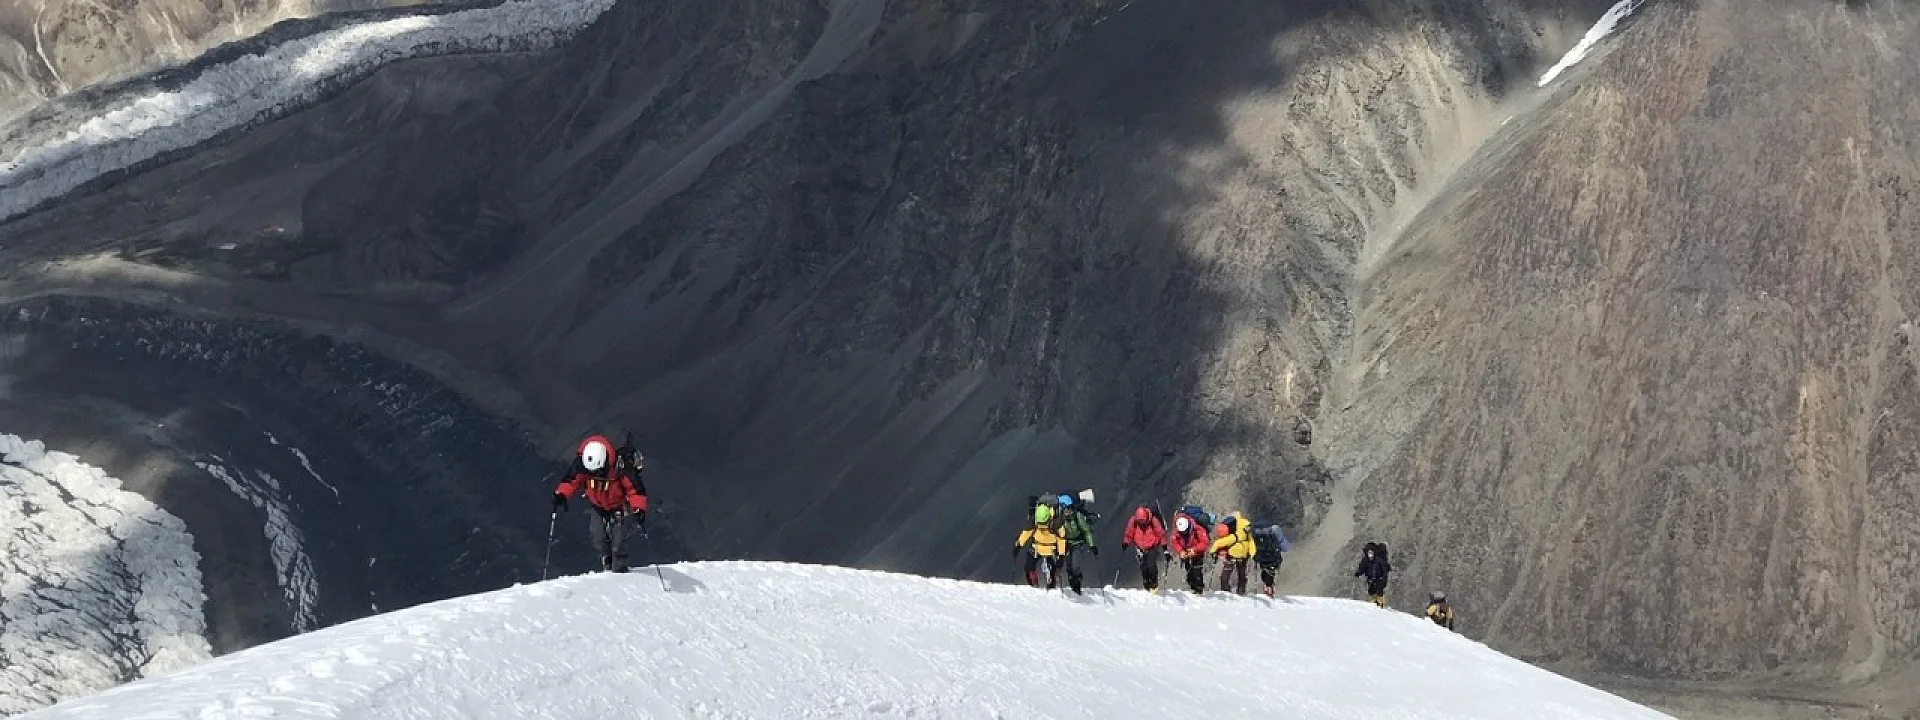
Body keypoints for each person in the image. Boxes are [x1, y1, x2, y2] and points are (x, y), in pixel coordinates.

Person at [550, 434, 649, 572]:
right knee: (598, 537)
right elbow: (571, 480)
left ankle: (620, 570)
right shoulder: (583, 464)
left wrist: (638, 508)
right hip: (598, 506)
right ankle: (607, 561)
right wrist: (562, 494)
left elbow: (635, 489)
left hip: (619, 505)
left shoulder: (621, 467)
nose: (596, 475)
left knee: (618, 542)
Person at [1015, 502, 1068, 588]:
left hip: (1049, 549)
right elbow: (1027, 532)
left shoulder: (1056, 523)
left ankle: (1050, 585)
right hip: (1039, 548)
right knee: (1029, 567)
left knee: (1051, 568)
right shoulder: (1039, 521)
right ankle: (1034, 584)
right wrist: (1019, 544)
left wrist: (1061, 555)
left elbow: (1061, 539)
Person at [1120, 505, 1169, 593]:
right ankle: (1147, 585)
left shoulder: (1153, 520)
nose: (1142, 523)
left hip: (1152, 546)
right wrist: (1126, 543)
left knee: (1151, 566)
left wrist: (1165, 549)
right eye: (1140, 521)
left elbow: (1160, 534)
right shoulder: (1133, 521)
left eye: (1143, 521)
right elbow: (1129, 533)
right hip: (1139, 548)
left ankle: (1154, 584)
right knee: (1144, 568)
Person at [1056, 495, 1098, 594]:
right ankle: (1073, 585)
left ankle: (1077, 584)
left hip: (1078, 544)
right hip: (1066, 544)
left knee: (1075, 566)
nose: (1067, 511)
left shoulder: (1078, 516)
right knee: (1069, 567)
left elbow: (1086, 531)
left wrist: (1092, 545)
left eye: (1068, 509)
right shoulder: (1061, 518)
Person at [1207, 511, 1255, 595]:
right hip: (1244, 555)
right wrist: (1253, 553)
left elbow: (1219, 543)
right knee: (1242, 575)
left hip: (1231, 555)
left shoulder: (1233, 536)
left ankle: (1225, 591)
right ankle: (1241, 591)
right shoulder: (1247, 534)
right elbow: (1251, 543)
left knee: (1225, 575)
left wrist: (1213, 551)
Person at [1168, 509, 1212, 593]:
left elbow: (1205, 542)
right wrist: (1180, 551)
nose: (1184, 533)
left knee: (1196, 571)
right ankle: (1192, 586)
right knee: (1189, 571)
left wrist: (1195, 549)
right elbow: (1174, 542)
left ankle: (1198, 589)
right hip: (1185, 552)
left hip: (1197, 552)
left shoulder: (1198, 529)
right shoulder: (1177, 530)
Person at [1250, 521, 1290, 597]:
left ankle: (1267, 586)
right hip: (1273, 556)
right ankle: (1269, 587)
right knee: (1271, 569)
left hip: (1260, 556)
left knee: (1265, 568)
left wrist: (1253, 555)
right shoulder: (1274, 530)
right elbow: (1285, 546)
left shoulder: (1254, 531)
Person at [1355, 541, 1392, 607]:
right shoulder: (1365, 560)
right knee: (1371, 591)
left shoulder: (1379, 560)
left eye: (1371, 553)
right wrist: (1359, 573)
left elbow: (1384, 570)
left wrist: (1384, 579)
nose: (1370, 555)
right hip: (1370, 578)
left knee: (1379, 591)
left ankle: (1380, 604)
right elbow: (1362, 568)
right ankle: (1374, 603)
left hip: (1379, 578)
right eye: (1369, 553)